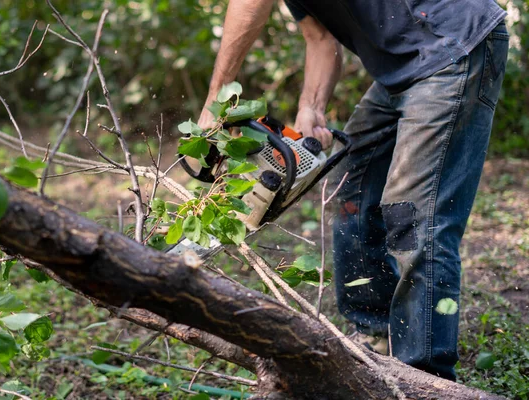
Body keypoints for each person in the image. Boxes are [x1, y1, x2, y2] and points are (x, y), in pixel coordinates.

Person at [197, 0, 508, 381]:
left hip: (453, 44)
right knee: (351, 190)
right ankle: (376, 332)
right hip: (405, 68)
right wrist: (312, 107)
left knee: (413, 214)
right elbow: (320, 37)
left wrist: (217, 97)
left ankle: (424, 376)